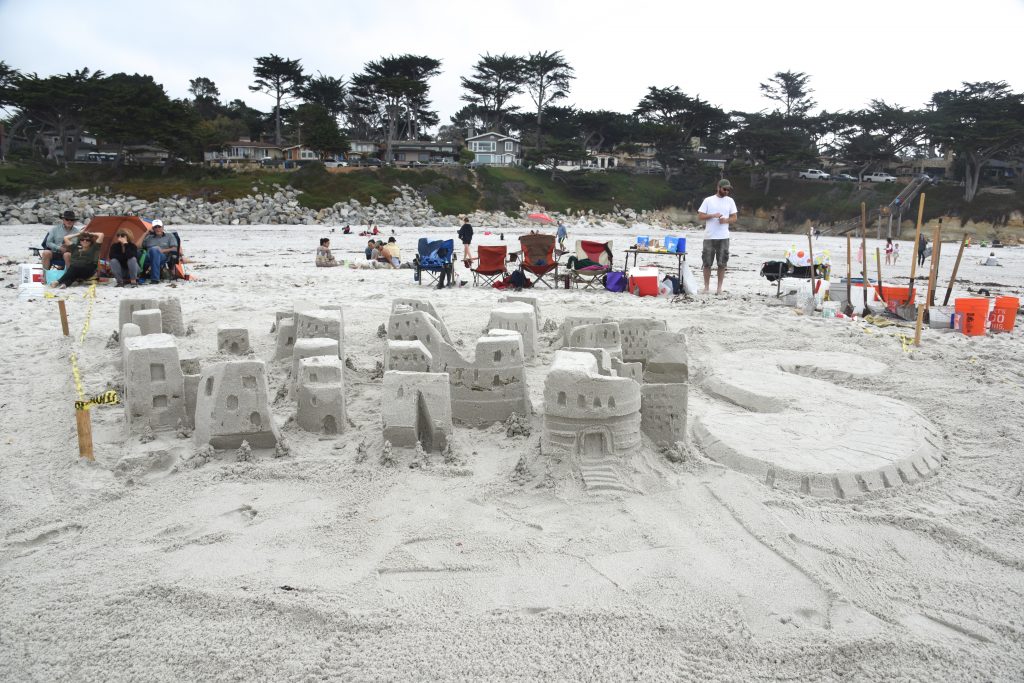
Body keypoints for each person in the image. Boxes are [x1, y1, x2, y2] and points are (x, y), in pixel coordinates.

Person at [697, 179, 738, 295]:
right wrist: (712, 215)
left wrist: (726, 220)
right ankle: (706, 287)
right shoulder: (708, 200)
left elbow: (734, 218)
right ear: (718, 187)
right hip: (709, 236)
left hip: (724, 237)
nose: (726, 192)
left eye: (728, 190)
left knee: (722, 263)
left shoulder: (730, 201)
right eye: (724, 189)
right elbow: (700, 216)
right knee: (707, 263)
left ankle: (719, 288)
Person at [141, 219, 179, 284]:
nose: (157, 228)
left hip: (162, 256)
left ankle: (155, 279)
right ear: (153, 228)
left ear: (163, 227)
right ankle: (134, 277)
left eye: (159, 227)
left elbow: (175, 249)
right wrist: (145, 233)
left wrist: (162, 250)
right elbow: (138, 246)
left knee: (154, 250)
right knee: (137, 252)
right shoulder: (149, 237)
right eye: (155, 227)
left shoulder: (169, 236)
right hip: (148, 256)